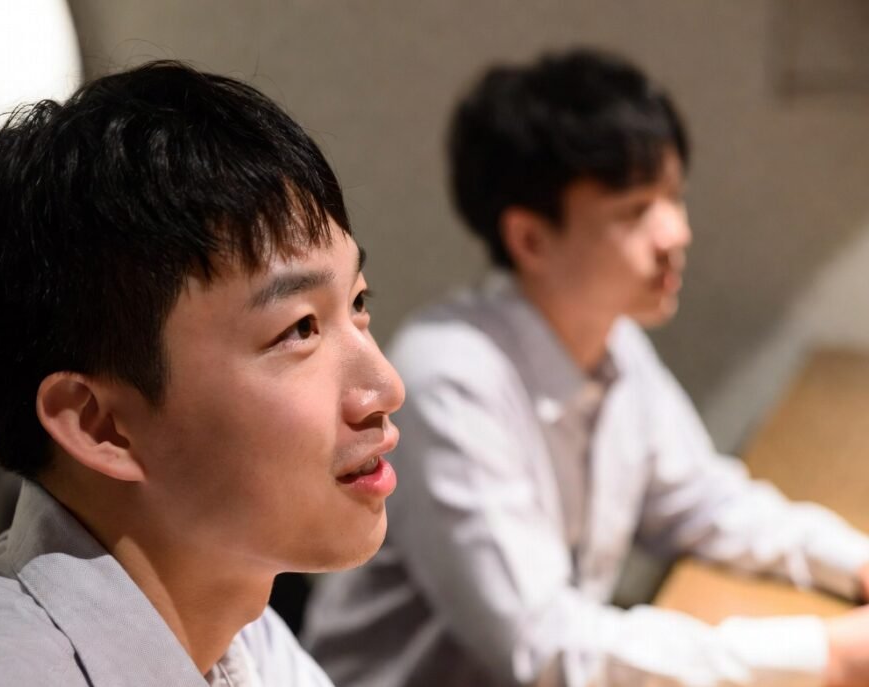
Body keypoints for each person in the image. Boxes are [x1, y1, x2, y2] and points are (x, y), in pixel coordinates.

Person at [303, 48, 869, 687]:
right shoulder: (452, 378)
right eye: (635, 210)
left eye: (673, 197)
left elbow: (703, 502)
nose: (675, 233)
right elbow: (542, 648)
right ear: (529, 239)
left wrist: (856, 561)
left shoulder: (615, 342)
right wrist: (829, 655)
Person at [0, 60, 404, 686]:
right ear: (100, 425)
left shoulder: (240, 625)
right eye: (299, 328)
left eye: (357, 301)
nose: (385, 388)